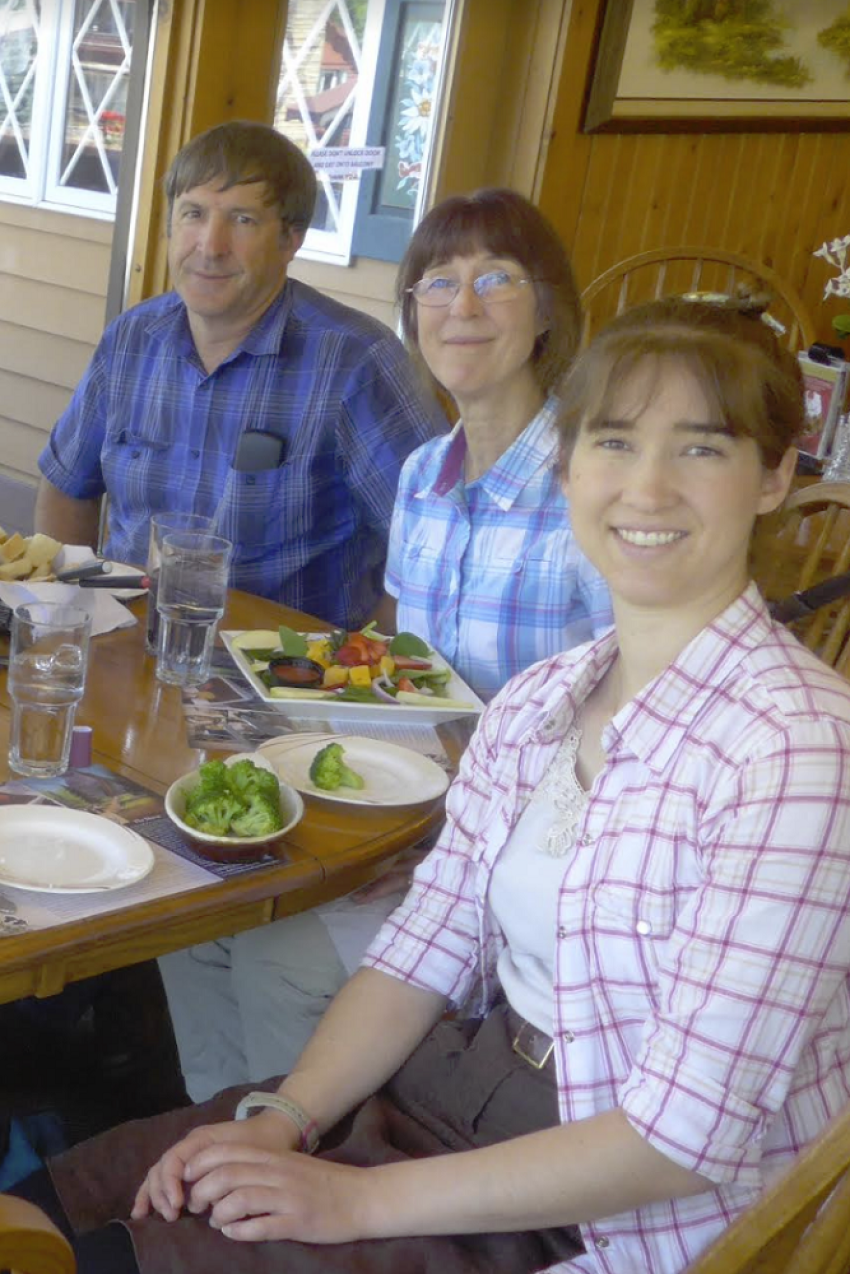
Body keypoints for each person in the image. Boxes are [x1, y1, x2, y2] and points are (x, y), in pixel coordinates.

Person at [16, 294, 850, 1274]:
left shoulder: (797, 751)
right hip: (458, 1090)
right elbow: (429, 941)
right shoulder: (544, 698)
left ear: (772, 474)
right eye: (613, 442)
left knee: (113, 1256)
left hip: (615, 1207)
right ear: (569, 466)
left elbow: (680, 1138)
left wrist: (350, 1195)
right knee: (51, 1209)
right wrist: (286, 1116)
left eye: (701, 448)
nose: (648, 487)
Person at [158, 189, 613, 1101]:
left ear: (549, 308)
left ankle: (303, 1156)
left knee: (275, 952)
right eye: (436, 283)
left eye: (495, 279)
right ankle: (215, 1144)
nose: (463, 306)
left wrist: (438, 842)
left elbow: (627, 725)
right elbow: (404, 685)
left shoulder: (594, 482)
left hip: (540, 857)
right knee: (191, 922)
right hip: (416, 823)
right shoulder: (423, 474)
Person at [34, 120, 445, 628]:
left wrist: (356, 675)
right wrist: (77, 618)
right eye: (193, 214)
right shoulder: (131, 340)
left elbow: (433, 548)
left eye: (244, 220)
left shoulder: (356, 361)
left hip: (282, 683)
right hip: (128, 649)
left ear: (291, 239)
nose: (210, 245)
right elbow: (67, 485)